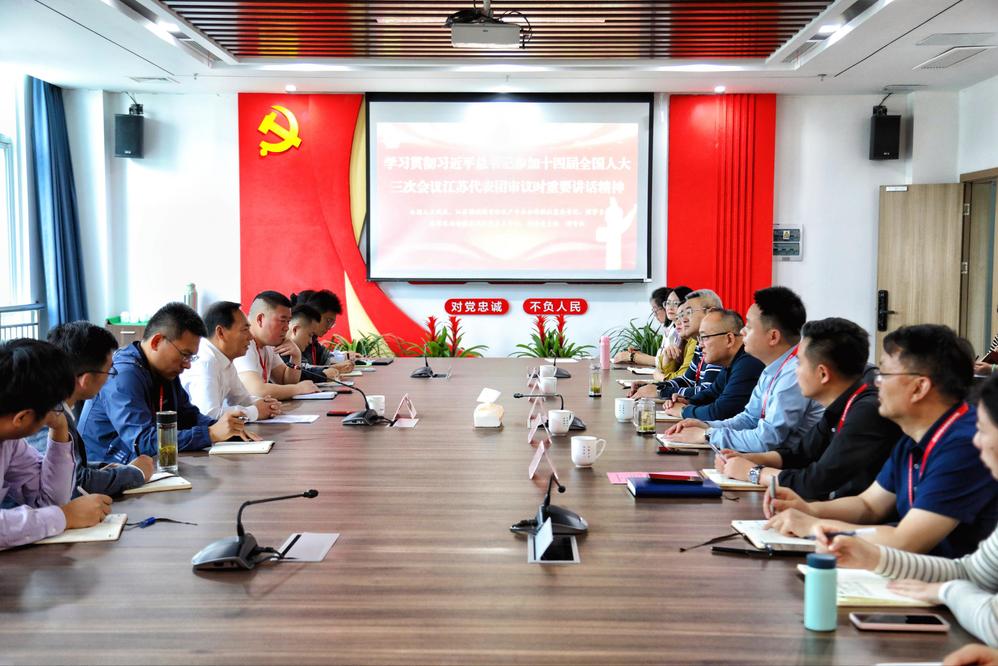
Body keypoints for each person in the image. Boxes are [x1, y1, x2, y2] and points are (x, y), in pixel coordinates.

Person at [767, 324, 998, 558]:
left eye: (884, 375)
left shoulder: (966, 443)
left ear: (919, 387)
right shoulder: (913, 436)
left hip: (952, 577)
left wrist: (813, 526)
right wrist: (808, 509)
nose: (876, 383)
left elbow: (906, 541)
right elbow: (869, 505)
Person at [813, 375, 998, 646]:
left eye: (982, 430)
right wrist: (874, 557)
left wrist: (947, 591)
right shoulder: (910, 440)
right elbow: (972, 573)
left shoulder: (959, 443)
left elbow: (994, 621)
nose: (977, 442)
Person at [714, 317, 900, 500]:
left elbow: (816, 482)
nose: (795, 371)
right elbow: (800, 454)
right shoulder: (841, 403)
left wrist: (753, 472)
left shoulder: (865, 412)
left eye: (800, 363)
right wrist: (752, 459)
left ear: (823, 373)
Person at [79, 302, 254, 464]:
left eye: (191, 357)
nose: (187, 364)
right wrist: (210, 433)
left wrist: (226, 428)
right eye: (185, 355)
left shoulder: (164, 370)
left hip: (145, 465)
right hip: (106, 469)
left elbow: (188, 416)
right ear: (157, 342)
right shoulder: (123, 375)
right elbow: (143, 442)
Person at [665, 286, 823, 453]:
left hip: (790, 466)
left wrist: (707, 434)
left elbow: (767, 440)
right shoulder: (772, 367)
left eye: (749, 326)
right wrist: (707, 425)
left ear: (773, 337)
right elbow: (749, 419)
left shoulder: (794, 374)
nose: (742, 331)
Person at [0, 339, 112, 548]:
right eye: (56, 408)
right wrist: (64, 517)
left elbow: (48, 501)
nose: (57, 413)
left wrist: (59, 429)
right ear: (22, 418)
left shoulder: (10, 442)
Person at [47, 322, 154, 495]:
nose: (111, 378)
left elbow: (69, 469)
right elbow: (76, 482)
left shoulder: (59, 407)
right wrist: (136, 473)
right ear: (86, 380)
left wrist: (108, 469)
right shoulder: (48, 417)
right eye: (109, 371)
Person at [182, 301, 282, 423]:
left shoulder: (224, 359)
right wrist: (255, 412)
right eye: (245, 330)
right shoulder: (206, 362)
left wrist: (264, 404)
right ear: (221, 333)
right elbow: (208, 415)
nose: (250, 337)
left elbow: (241, 399)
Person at [661, 309, 763, 421]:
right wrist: (688, 401)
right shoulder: (732, 360)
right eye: (699, 339)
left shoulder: (748, 363)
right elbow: (712, 393)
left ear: (729, 339)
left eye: (704, 337)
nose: (700, 345)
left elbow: (720, 412)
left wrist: (683, 411)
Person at [634, 289, 725, 400]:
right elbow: (687, 381)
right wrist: (655, 386)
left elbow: (707, 393)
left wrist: (660, 391)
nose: (682, 320)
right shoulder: (700, 344)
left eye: (689, 312)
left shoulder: (719, 345)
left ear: (711, 313)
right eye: (681, 314)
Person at [235, 291, 320, 400]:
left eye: (288, 322)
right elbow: (258, 391)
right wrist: (298, 389)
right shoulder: (242, 343)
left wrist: (296, 356)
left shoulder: (268, 345)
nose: (286, 328)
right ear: (260, 319)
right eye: (282, 321)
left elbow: (285, 381)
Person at [611, 286, 687, 368]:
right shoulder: (669, 329)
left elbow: (664, 362)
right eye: (668, 303)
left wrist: (632, 357)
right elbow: (661, 359)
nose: (670, 308)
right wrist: (638, 355)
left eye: (656, 309)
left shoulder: (679, 331)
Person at [293, 289, 355, 374]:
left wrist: (344, 358)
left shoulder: (313, 339)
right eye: (328, 321)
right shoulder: (297, 338)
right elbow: (300, 370)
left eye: (332, 323)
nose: (329, 328)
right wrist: (331, 369)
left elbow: (325, 357)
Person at [283, 304, 339, 383]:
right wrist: (323, 375)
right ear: (295, 330)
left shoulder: (294, 348)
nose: (310, 341)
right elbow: (289, 380)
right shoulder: (276, 349)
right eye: (310, 335)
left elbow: (301, 371)